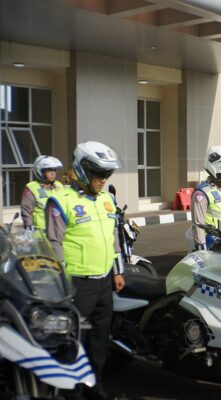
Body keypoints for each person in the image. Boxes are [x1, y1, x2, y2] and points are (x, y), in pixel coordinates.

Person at [46, 141, 124, 400]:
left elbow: (113, 237)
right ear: (81, 170)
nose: (103, 179)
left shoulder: (107, 199)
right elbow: (54, 243)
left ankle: (94, 386)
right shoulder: (61, 201)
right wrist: (61, 283)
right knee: (72, 342)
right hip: (77, 285)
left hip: (103, 283)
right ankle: (68, 391)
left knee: (99, 341)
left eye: (107, 174)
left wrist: (117, 271)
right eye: (98, 173)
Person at [21, 155, 64, 231]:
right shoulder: (32, 187)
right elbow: (26, 211)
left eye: (54, 170)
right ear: (40, 171)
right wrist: (29, 227)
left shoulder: (59, 185)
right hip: (41, 233)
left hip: (58, 230)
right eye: (49, 170)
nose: (53, 173)